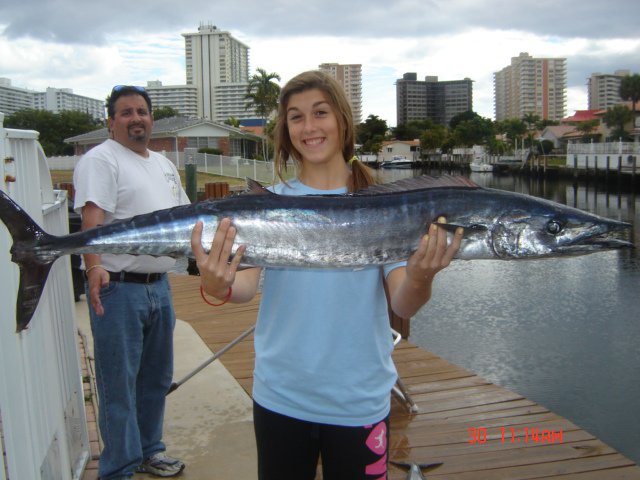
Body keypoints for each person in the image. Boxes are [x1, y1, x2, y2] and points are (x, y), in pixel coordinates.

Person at [191, 71, 463, 480]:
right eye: (296, 117)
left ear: (342, 120)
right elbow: (243, 286)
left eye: (320, 113)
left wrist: (422, 277)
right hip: (280, 396)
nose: (309, 127)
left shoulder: (386, 205)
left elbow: (403, 302)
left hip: (359, 401)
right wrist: (216, 286)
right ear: (286, 130)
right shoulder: (269, 204)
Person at [73, 85, 190, 479]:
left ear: (151, 118)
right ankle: (119, 468)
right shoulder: (101, 160)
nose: (135, 118)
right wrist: (93, 268)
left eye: (142, 111)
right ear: (111, 122)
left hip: (159, 284)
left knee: (155, 378)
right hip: (117, 286)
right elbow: (92, 219)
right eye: (126, 112)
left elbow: (190, 219)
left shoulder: (163, 164)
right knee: (118, 385)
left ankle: (148, 451)